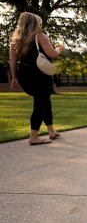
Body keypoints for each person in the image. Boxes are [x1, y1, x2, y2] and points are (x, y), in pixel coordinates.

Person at [9, 12, 65, 145]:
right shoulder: (39, 36)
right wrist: (59, 49)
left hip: (24, 76)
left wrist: (14, 78)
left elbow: (12, 60)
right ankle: (33, 136)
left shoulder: (16, 41)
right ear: (35, 23)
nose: (40, 26)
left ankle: (51, 131)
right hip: (39, 75)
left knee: (45, 101)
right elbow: (52, 53)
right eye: (39, 23)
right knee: (40, 104)